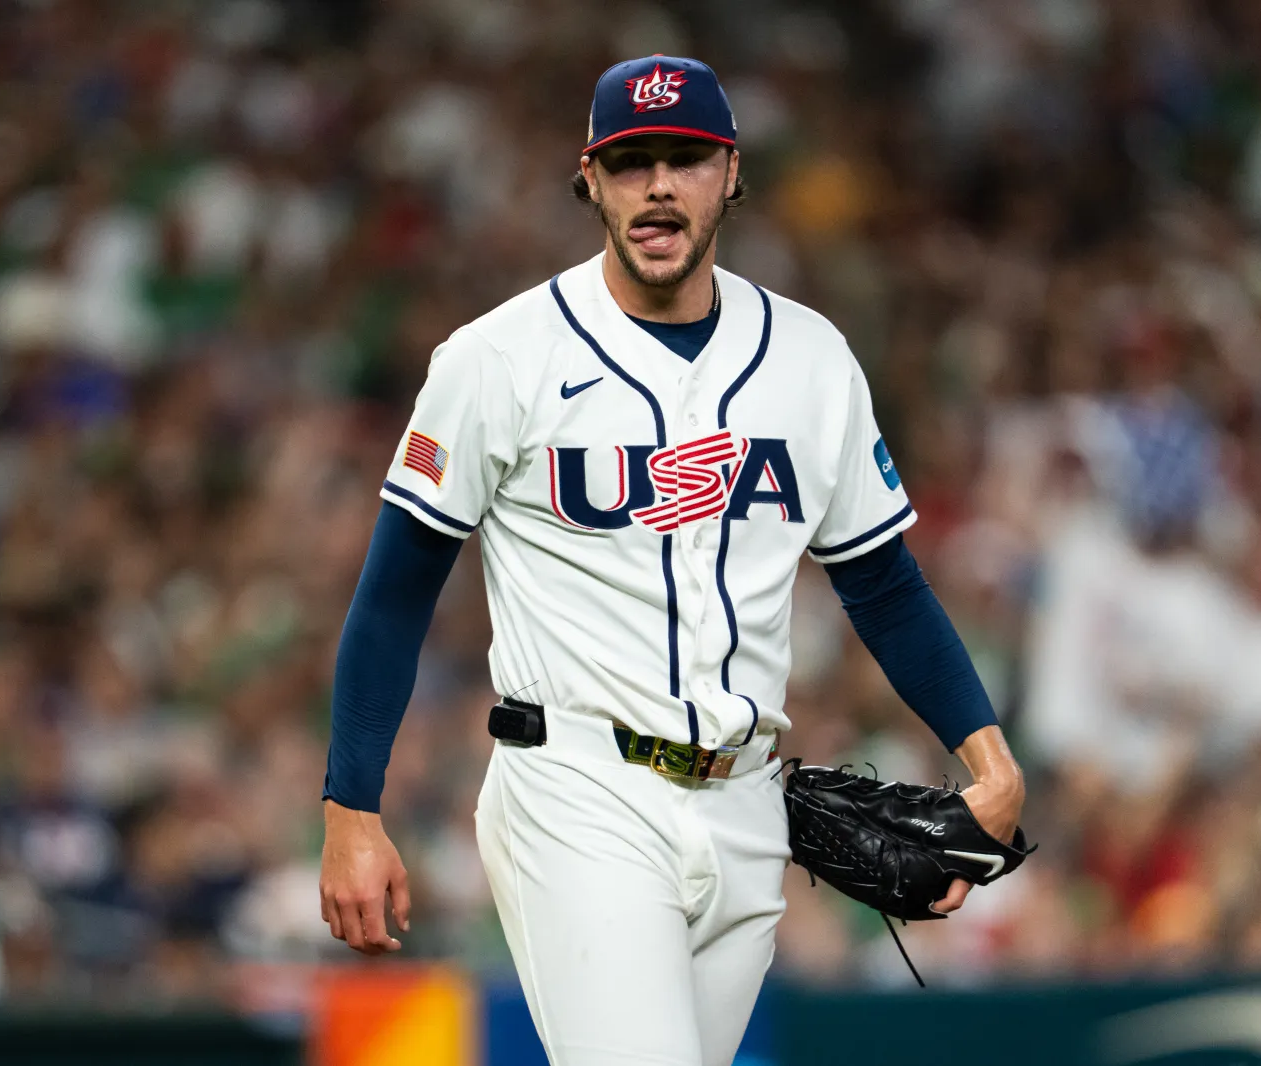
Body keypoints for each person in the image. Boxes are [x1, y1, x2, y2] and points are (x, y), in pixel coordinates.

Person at [318, 55, 1026, 1065]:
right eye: (631, 161)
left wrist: (988, 760)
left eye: (685, 158)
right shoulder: (497, 357)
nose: (658, 185)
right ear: (591, 179)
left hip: (748, 805)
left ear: (730, 172)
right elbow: (395, 596)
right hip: (576, 788)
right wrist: (351, 807)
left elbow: (881, 581)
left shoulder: (811, 359)